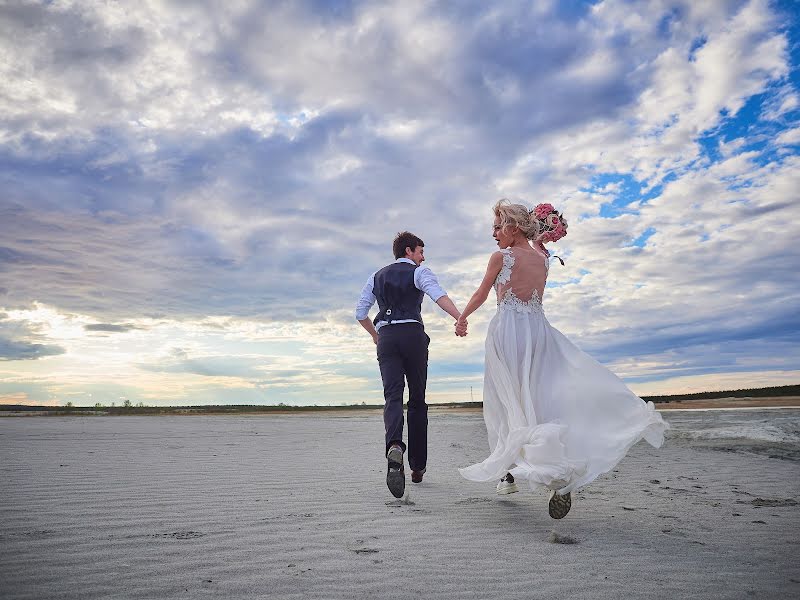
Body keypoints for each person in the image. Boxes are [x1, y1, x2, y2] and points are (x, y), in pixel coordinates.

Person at [455, 200, 668, 519]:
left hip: (509, 333)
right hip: (540, 331)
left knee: (507, 402)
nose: (494, 233)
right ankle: (552, 473)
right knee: (541, 399)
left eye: (498, 226)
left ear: (513, 228)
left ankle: (509, 474)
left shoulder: (502, 257)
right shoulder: (543, 260)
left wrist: (462, 317)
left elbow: (483, 292)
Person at [356, 231, 463, 498]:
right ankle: (417, 466)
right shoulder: (419, 273)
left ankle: (394, 445)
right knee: (417, 400)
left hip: (387, 338)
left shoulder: (375, 276)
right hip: (413, 335)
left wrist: (375, 335)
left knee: (392, 397)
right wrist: (460, 317)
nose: (423, 257)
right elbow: (439, 296)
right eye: (420, 251)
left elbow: (360, 313)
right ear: (408, 251)